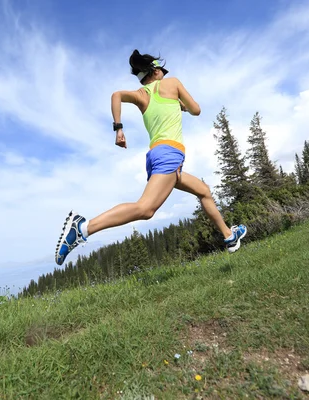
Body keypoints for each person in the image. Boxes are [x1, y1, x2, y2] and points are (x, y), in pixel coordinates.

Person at [55, 50, 246, 266]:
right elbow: (197, 110)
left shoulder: (141, 95)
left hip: (156, 155)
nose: (164, 75)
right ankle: (83, 228)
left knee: (203, 191)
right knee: (146, 209)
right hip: (170, 154)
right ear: (155, 71)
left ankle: (229, 236)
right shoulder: (172, 84)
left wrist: (118, 129)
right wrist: (182, 105)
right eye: (161, 72)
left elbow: (116, 95)